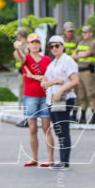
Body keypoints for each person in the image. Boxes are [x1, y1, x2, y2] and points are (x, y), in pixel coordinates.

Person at [42, 35, 80, 169]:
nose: (54, 49)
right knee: (58, 130)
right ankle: (62, 159)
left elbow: (75, 81)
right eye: (51, 46)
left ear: (63, 46)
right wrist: (54, 82)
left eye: (57, 46)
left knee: (63, 129)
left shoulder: (67, 61)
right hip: (52, 99)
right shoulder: (52, 63)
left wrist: (60, 90)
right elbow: (44, 82)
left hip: (64, 98)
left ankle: (64, 161)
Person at [20, 34, 54, 167]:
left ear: (40, 45)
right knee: (32, 128)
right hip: (30, 96)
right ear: (28, 45)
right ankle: (34, 158)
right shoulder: (26, 58)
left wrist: (37, 77)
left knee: (46, 127)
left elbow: (50, 75)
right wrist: (17, 48)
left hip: (45, 95)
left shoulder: (46, 59)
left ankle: (50, 158)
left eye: (37, 43)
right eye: (32, 43)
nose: (34, 45)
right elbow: (20, 57)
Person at [73, 25, 95, 124]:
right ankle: (82, 115)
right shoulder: (81, 43)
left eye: (86, 32)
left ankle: (94, 115)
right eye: (83, 33)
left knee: (91, 93)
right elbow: (74, 55)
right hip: (80, 70)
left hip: (88, 70)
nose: (84, 34)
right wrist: (80, 55)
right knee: (81, 94)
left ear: (90, 33)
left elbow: (85, 54)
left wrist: (79, 55)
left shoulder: (93, 43)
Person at [12, 28, 29, 127]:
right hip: (21, 71)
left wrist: (17, 53)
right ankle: (26, 117)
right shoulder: (20, 45)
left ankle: (28, 118)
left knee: (26, 95)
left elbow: (22, 57)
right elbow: (15, 55)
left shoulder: (26, 45)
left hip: (25, 72)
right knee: (23, 95)